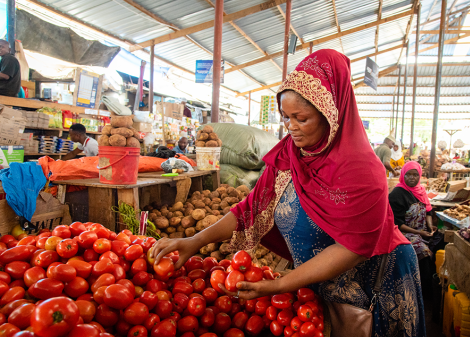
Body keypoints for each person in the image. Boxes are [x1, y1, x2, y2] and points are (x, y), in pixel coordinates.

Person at [152, 50, 426, 336]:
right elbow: (251, 209)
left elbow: (353, 248)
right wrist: (196, 240)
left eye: (301, 118)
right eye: (285, 117)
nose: (291, 127)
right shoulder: (291, 155)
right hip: (319, 287)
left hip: (375, 285)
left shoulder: (363, 171)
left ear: (330, 114)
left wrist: (282, 283)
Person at [388, 161, 443, 298]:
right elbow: (397, 223)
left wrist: (430, 226)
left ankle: (436, 286)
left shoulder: (421, 191)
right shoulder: (397, 194)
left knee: (440, 244)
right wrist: (419, 233)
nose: (412, 178)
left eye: (415, 175)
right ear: (403, 176)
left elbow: (428, 210)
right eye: (408, 175)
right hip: (404, 233)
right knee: (423, 252)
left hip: (422, 232)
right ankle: (422, 292)